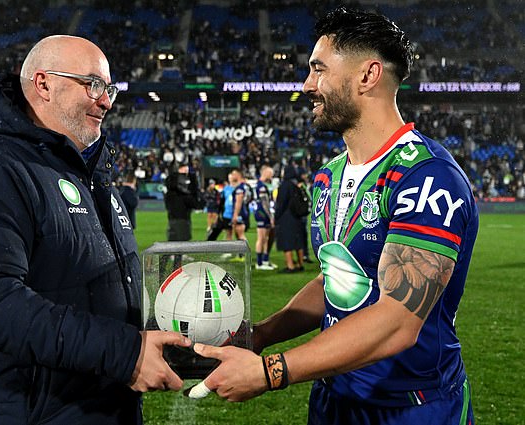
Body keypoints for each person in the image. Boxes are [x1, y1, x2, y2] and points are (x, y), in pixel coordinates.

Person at [193, 8, 478, 425]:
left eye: (318, 69)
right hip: (334, 397)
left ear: (367, 75)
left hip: (410, 407)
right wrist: (261, 335)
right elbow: (336, 278)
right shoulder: (329, 175)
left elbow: (398, 320)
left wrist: (272, 371)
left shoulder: (427, 176)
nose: (307, 85)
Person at [0, 35, 191, 425]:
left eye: (109, 90)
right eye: (93, 85)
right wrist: (126, 353)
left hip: (100, 406)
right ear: (43, 84)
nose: (105, 101)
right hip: (26, 412)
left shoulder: (91, 174)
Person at [274, 165, 306, 273]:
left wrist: (276, 217)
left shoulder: (284, 186)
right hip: (297, 217)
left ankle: (290, 266)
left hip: (286, 217)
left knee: (286, 242)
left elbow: (281, 204)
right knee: (298, 242)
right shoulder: (296, 185)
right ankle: (301, 264)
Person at [164, 164, 204, 242]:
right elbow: (196, 204)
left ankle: (171, 254)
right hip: (183, 218)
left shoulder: (169, 193)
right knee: (182, 240)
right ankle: (178, 254)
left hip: (172, 218)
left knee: (172, 239)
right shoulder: (184, 195)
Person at [254, 165, 276, 270]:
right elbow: (264, 203)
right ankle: (259, 263)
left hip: (263, 213)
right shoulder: (261, 186)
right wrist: (270, 216)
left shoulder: (263, 185)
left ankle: (265, 260)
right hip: (262, 213)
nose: (272, 176)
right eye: (271, 173)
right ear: (266, 173)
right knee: (261, 238)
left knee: (266, 238)